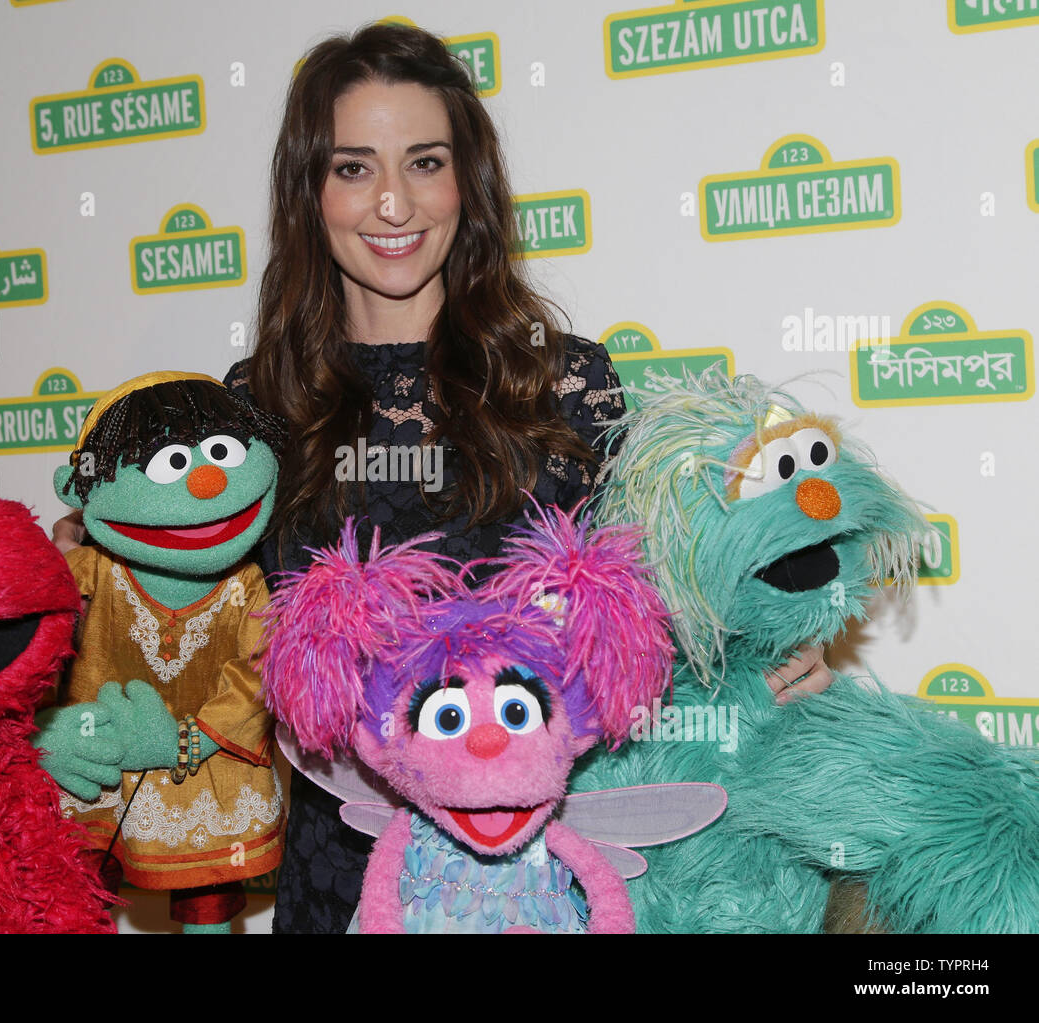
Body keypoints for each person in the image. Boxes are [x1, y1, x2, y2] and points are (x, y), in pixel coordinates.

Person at [56, 20, 831, 933]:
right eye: (354, 167)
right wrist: (91, 590)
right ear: (310, 190)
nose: (393, 204)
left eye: (424, 162)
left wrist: (749, 662)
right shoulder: (254, 409)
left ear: (470, 180)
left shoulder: (562, 381)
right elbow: (198, 629)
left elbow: (638, 614)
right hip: (341, 870)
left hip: (538, 875)